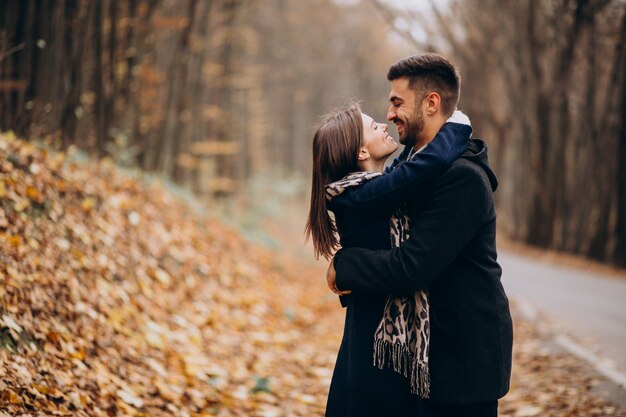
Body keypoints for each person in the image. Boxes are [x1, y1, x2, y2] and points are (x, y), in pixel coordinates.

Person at [327, 54, 513, 417]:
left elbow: (413, 265)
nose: (390, 113)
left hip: (460, 360)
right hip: (423, 362)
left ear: (431, 103)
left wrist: (346, 265)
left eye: (398, 102)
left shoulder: (462, 178)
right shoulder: (407, 169)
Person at [306, 101, 472, 416]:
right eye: (372, 127)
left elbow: (407, 174)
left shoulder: (367, 191)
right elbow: (425, 167)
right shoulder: (362, 195)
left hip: (374, 334)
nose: (384, 124)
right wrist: (457, 126)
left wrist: (343, 262)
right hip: (375, 344)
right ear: (361, 154)